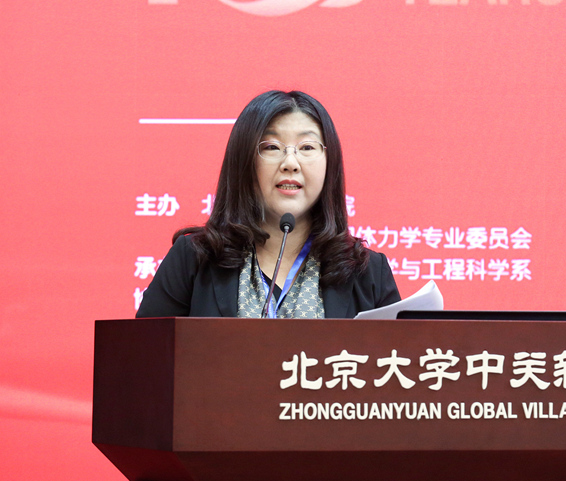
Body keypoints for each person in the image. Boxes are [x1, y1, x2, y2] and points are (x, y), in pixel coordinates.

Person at [136, 90, 400, 318]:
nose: (290, 163)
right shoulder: (194, 259)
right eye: (272, 147)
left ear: (329, 164)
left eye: (307, 147)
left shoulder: (368, 273)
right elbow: (145, 352)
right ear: (244, 161)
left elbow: (398, 358)